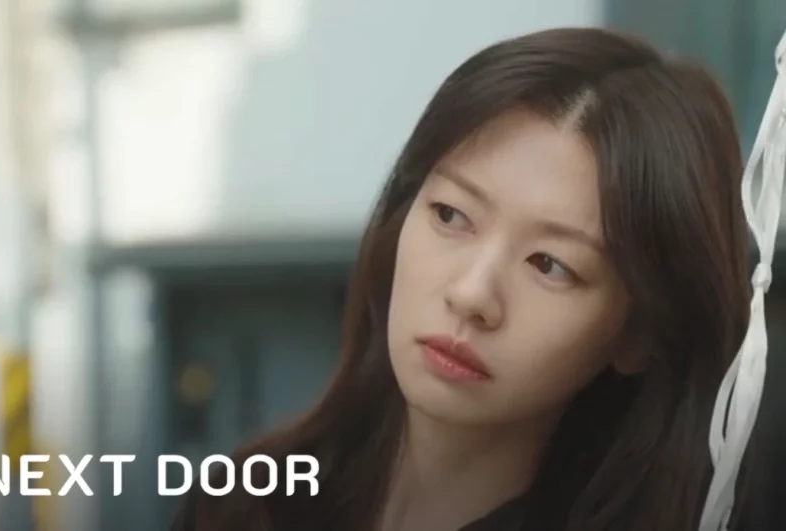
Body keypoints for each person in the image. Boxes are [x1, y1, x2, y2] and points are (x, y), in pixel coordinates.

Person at [170, 27, 755, 531]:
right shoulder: (242, 506)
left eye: (549, 264)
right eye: (451, 215)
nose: (472, 294)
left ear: (637, 333)